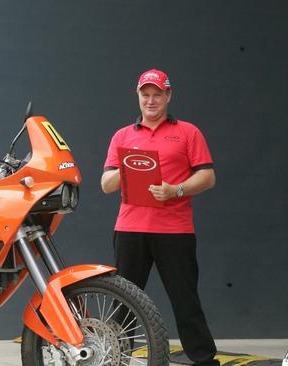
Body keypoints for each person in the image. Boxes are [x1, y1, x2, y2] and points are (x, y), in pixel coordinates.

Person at [101, 69, 219, 366]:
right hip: (130, 229)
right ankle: (116, 358)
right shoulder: (123, 136)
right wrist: (128, 167)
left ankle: (205, 361)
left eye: (157, 94)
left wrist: (176, 190)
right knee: (124, 302)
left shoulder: (188, 132)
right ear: (138, 97)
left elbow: (207, 176)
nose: (151, 100)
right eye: (145, 95)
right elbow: (105, 185)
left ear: (168, 96)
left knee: (185, 301)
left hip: (174, 230)